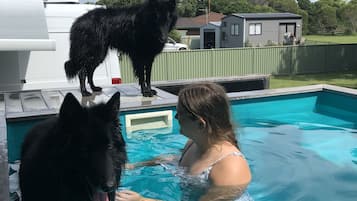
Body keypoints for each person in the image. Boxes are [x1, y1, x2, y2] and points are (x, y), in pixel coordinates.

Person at [116, 82, 252, 201]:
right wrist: (136, 165)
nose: (176, 117)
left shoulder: (230, 168)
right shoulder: (193, 143)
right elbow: (173, 159)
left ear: (200, 124)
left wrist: (142, 200)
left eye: (180, 113)